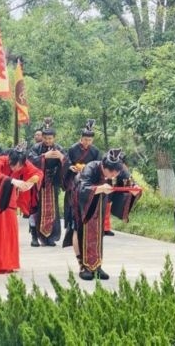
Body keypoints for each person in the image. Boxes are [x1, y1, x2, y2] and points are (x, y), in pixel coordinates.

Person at [0, 145, 42, 274]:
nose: (16, 169)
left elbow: (38, 173)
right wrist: (13, 181)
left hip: (9, 196)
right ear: (9, 159)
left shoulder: (24, 163)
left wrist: (30, 183)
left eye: (19, 167)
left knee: (9, 230)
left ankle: (8, 263)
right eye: (13, 165)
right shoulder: (0, 160)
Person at [74, 149, 138, 280]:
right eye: (111, 171)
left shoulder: (120, 169)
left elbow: (131, 183)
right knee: (81, 230)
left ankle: (97, 265)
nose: (114, 174)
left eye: (117, 172)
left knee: (98, 231)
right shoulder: (91, 167)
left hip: (101, 200)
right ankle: (83, 265)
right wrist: (99, 188)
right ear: (103, 166)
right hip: (80, 201)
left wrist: (134, 190)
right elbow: (82, 188)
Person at [62, 119, 101, 248]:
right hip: (74, 180)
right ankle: (71, 229)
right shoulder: (73, 148)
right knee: (72, 205)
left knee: (86, 204)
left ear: (92, 140)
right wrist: (70, 167)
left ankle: (87, 229)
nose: (87, 142)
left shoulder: (95, 151)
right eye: (85, 139)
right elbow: (67, 161)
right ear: (81, 138)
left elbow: (98, 165)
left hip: (88, 180)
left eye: (89, 140)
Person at [28, 118, 65, 247]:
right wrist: (44, 156)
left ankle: (50, 237)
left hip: (52, 182)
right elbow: (30, 161)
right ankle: (34, 236)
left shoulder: (58, 148)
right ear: (42, 137)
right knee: (35, 209)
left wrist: (61, 158)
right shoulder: (36, 148)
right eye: (45, 138)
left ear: (54, 138)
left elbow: (67, 162)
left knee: (51, 210)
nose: (48, 141)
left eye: (50, 138)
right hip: (38, 182)